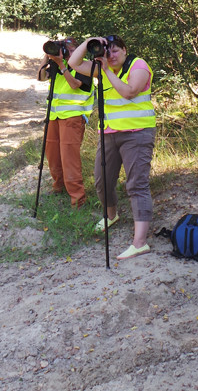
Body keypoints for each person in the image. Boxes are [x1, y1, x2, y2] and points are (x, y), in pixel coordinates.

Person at [68, 34, 156, 260]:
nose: (112, 55)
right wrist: (89, 42)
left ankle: (140, 242)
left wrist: (106, 70)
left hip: (137, 133)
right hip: (109, 133)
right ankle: (111, 216)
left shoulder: (138, 65)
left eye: (116, 50)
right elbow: (73, 64)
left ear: (125, 50)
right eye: (108, 51)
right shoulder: (101, 67)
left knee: (136, 184)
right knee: (102, 180)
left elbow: (129, 92)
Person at [38, 38, 95, 209]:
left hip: (73, 117)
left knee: (70, 158)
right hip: (54, 117)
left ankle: (78, 199)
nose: (66, 53)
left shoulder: (83, 66)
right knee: (53, 155)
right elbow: (41, 77)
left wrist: (63, 66)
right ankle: (58, 186)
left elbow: (75, 84)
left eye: (69, 49)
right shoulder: (56, 65)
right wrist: (47, 58)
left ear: (76, 51)